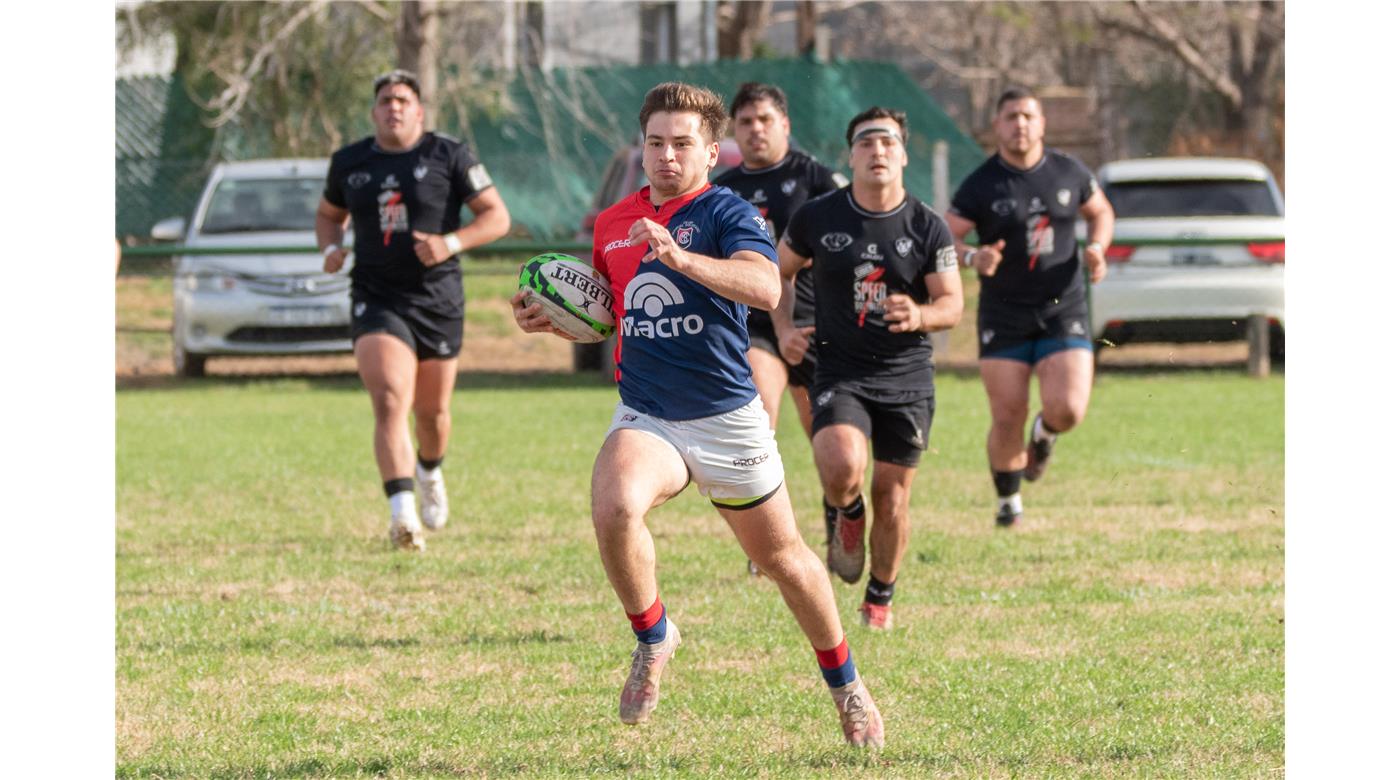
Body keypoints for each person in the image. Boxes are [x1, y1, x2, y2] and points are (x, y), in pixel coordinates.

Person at [511, 82, 883, 748]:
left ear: (712, 152)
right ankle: (653, 636)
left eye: (682, 144)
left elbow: (766, 287)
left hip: (726, 418)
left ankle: (847, 686)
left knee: (785, 561)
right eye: (655, 143)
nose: (666, 156)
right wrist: (553, 320)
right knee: (613, 506)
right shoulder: (613, 222)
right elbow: (611, 313)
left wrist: (681, 257)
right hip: (649, 412)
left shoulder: (729, 212)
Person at [776, 107, 964, 631]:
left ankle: (879, 595)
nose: (877, 150)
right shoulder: (817, 217)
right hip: (839, 370)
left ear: (903, 155)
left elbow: (952, 304)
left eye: (887, 142)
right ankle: (848, 513)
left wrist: (921, 315)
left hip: (907, 377)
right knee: (840, 467)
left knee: (893, 496)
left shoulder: (928, 226)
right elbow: (777, 274)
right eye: (866, 142)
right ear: (851, 155)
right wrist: (785, 328)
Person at [316, 70, 511, 551]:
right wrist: (330, 248)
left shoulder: (449, 154)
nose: (394, 107)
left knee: (433, 414)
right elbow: (328, 215)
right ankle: (402, 514)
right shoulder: (350, 162)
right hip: (377, 296)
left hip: (437, 298)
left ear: (419, 111)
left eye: (403, 100)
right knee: (389, 399)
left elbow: (497, 217)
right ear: (373, 111)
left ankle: (429, 470)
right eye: (385, 100)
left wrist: (450, 243)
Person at [945, 87, 1115, 529]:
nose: (1020, 124)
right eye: (1011, 117)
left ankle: (1045, 434)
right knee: (1007, 414)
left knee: (1068, 408)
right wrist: (973, 256)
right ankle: (1008, 502)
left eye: (1027, 116)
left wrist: (1098, 248)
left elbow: (1101, 212)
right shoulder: (982, 183)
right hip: (1004, 313)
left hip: (1063, 307)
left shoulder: (1068, 170)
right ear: (997, 126)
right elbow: (947, 235)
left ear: (1042, 124)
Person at [712, 82, 847, 578]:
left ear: (785, 124)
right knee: (758, 419)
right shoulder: (723, 189)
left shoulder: (816, 178)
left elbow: (850, 234)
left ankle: (839, 530)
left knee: (827, 441)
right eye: (746, 122)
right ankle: (764, 544)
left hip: (816, 322)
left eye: (765, 120)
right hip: (754, 324)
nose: (756, 130)